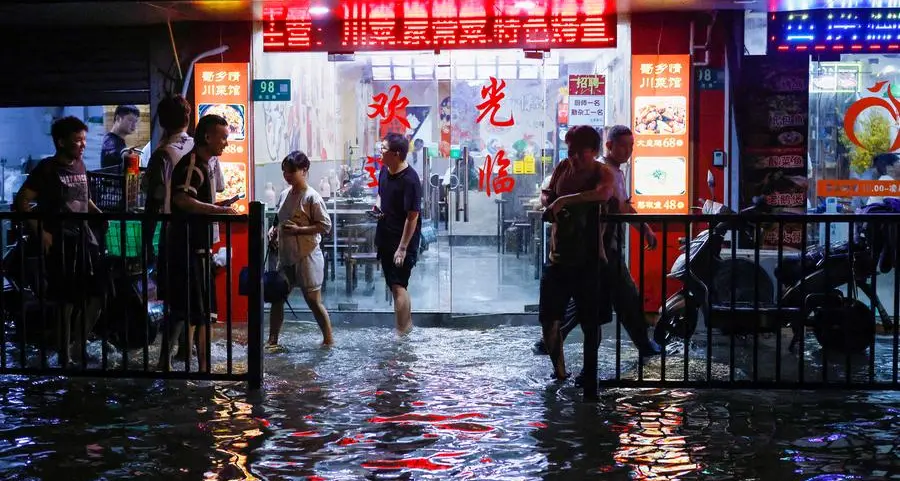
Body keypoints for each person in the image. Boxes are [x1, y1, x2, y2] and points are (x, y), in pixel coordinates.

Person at [14, 116, 105, 367]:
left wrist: (99, 215)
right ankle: (65, 354)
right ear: (61, 141)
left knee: (96, 295)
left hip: (85, 240)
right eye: (78, 141)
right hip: (61, 243)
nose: (83, 145)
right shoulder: (47, 169)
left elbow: (83, 198)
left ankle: (79, 345)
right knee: (66, 301)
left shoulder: (80, 166)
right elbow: (22, 201)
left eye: (84, 140)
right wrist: (40, 230)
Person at [538, 125, 615, 380]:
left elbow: (604, 193)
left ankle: (589, 372)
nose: (574, 158)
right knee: (549, 319)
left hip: (590, 258)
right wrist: (550, 203)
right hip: (558, 256)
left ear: (593, 151)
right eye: (570, 152)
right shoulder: (563, 167)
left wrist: (565, 201)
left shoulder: (601, 172)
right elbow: (547, 192)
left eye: (579, 153)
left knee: (591, 322)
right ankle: (559, 370)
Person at [163, 114, 238, 372]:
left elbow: (194, 202)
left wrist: (216, 207)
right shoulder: (193, 164)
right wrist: (217, 211)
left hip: (198, 246)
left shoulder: (205, 163)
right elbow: (182, 200)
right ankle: (201, 368)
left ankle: (183, 363)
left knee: (191, 309)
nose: (226, 143)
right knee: (197, 310)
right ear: (207, 136)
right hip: (188, 247)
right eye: (223, 137)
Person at [266, 151, 334, 352]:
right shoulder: (285, 194)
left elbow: (325, 226)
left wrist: (299, 230)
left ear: (304, 170)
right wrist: (274, 231)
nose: (287, 175)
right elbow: (279, 218)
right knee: (278, 297)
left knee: (313, 300)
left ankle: (329, 339)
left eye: (292, 171)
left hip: (307, 255)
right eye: (285, 171)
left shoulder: (312, 197)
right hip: (286, 255)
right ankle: (272, 339)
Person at [374, 133, 422, 334]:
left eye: (383, 149)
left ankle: (401, 332)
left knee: (398, 284)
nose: (380, 152)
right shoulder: (385, 171)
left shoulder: (410, 180)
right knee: (395, 285)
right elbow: (380, 193)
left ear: (396, 154)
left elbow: (412, 217)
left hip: (403, 239)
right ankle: (406, 327)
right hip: (385, 234)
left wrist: (402, 248)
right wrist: (377, 206)